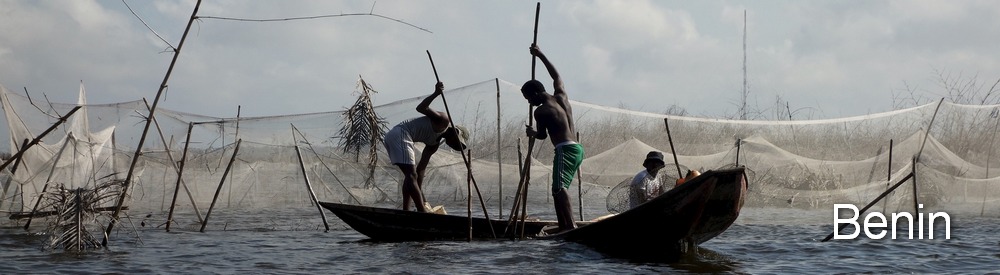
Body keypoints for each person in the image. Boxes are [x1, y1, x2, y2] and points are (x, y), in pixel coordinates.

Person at [522, 44, 584, 232]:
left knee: (559, 188)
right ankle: (563, 225)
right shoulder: (561, 97)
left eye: (528, 98)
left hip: (565, 149)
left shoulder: (541, 111)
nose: (529, 103)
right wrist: (540, 55)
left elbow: (541, 135)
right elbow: (556, 76)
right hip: (576, 149)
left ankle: (570, 226)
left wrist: (531, 133)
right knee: (556, 188)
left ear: (535, 94)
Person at [383, 81, 468, 212]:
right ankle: (421, 211)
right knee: (411, 175)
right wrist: (436, 93)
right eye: (457, 142)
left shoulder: (433, 145)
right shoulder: (444, 120)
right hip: (400, 134)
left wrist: (421, 195)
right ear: (454, 132)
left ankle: (407, 210)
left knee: (411, 176)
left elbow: (421, 170)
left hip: (398, 138)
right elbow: (421, 108)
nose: (455, 145)